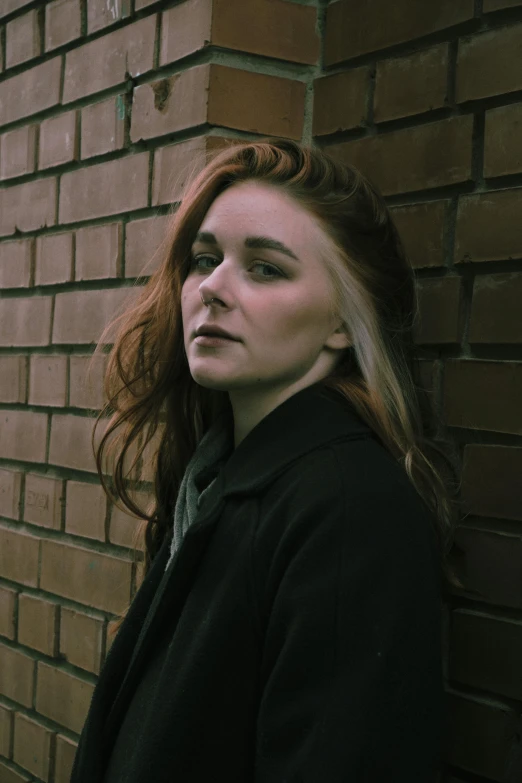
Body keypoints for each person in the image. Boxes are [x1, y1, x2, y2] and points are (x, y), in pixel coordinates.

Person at [71, 138, 461, 782]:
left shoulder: (348, 510)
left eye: (266, 268)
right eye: (204, 259)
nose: (212, 289)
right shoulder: (223, 481)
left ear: (342, 321)